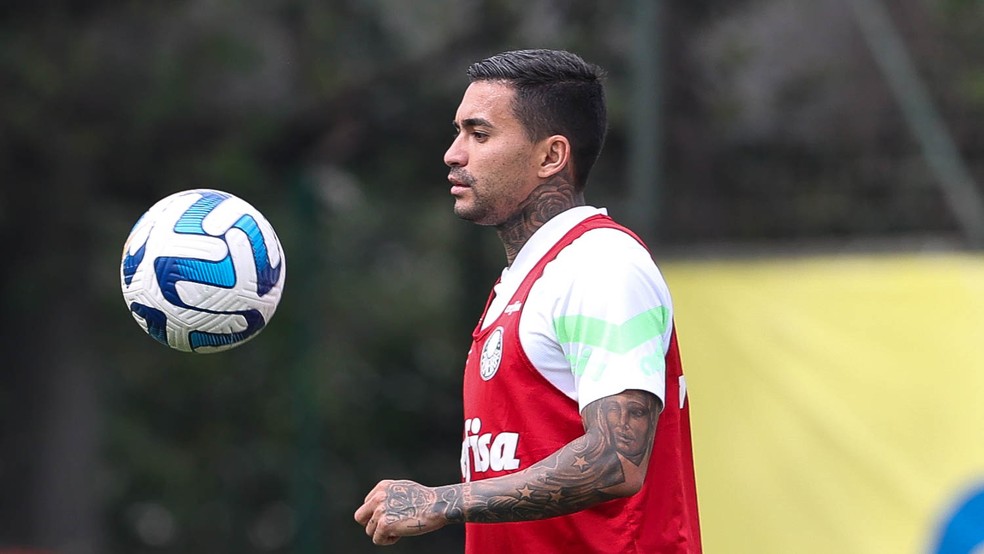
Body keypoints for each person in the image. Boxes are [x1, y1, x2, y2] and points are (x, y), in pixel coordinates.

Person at [355, 48, 702, 553]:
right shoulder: (521, 282)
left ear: (550, 156)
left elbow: (616, 459)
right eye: (458, 132)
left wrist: (441, 501)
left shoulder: (600, 264)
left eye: (479, 134)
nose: (454, 153)